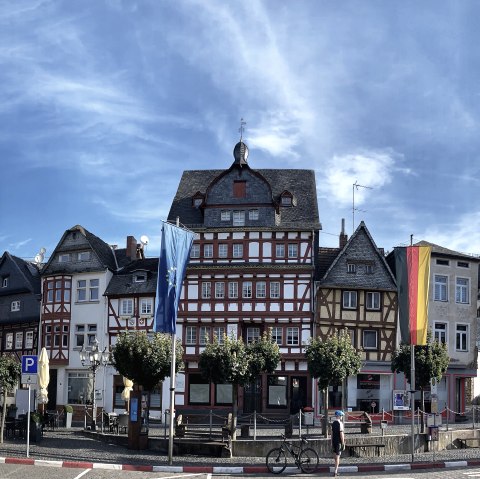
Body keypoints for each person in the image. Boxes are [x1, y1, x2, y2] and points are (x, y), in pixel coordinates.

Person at [331, 410, 345, 477]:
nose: (342, 417)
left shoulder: (333, 423)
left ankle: (335, 470)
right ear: (339, 416)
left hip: (334, 441)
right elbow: (341, 433)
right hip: (338, 442)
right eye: (341, 415)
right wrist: (343, 443)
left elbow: (332, 433)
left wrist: (331, 442)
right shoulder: (340, 424)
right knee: (338, 457)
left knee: (335, 457)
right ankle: (335, 471)